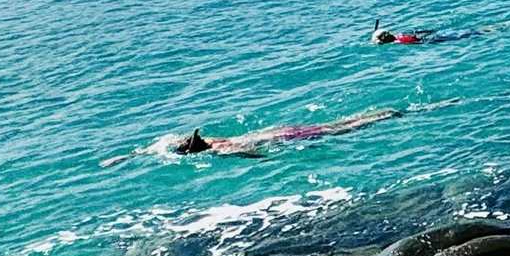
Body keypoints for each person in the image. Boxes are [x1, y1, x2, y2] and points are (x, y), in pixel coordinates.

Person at [167, 106, 401, 157]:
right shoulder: (217, 140)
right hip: (281, 131)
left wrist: (260, 158)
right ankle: (382, 113)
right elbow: (189, 139)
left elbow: (249, 153)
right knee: (337, 124)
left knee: (339, 131)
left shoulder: (222, 149)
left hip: (281, 138)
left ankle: (384, 117)